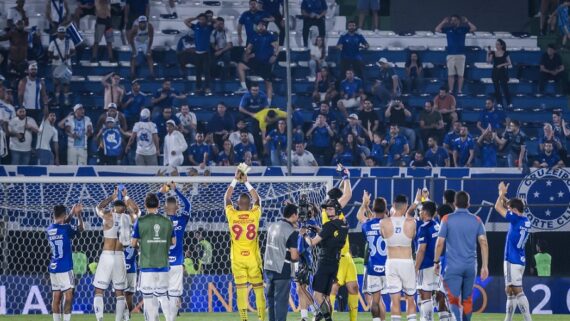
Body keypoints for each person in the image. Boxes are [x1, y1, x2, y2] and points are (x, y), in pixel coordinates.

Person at [434, 191, 489, 321]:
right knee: (467, 298)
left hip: (453, 266)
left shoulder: (446, 219)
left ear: (454, 203)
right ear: (469, 204)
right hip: (471, 266)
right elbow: (484, 243)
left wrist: (436, 261)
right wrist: (485, 266)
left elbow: (440, 243)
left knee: (453, 297)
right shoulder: (477, 220)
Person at [224, 169, 266, 321]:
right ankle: (261, 318)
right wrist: (246, 181)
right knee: (259, 290)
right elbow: (258, 200)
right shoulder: (254, 214)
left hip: (237, 259)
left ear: (237, 204)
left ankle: (244, 319)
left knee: (241, 291)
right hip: (253, 259)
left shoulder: (232, 215)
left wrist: (235, 180)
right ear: (249, 205)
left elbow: (227, 198)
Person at [93, 187, 140, 321]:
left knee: (99, 291)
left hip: (107, 256)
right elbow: (137, 211)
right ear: (124, 208)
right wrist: (126, 197)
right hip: (120, 257)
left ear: (113, 208)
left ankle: (100, 319)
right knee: (120, 293)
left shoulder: (108, 216)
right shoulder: (128, 218)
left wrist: (112, 197)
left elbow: (98, 208)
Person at [318, 169, 359, 321]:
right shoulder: (327, 211)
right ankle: (329, 318)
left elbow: (342, 192)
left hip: (347, 256)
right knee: (333, 290)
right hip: (337, 257)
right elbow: (347, 194)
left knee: (353, 288)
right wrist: (346, 176)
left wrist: (343, 182)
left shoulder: (335, 210)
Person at [302, 198, 349, 321]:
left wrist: (304, 234)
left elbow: (312, 243)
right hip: (335, 263)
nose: (327, 211)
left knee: (317, 295)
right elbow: (332, 238)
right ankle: (323, 316)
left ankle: (327, 318)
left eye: (330, 208)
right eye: (327, 209)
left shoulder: (328, 225)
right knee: (326, 297)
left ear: (337, 209)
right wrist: (319, 231)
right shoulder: (344, 224)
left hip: (324, 262)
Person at [131, 193, 175, 321]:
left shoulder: (140, 221)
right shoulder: (167, 221)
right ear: (159, 205)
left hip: (147, 267)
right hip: (163, 266)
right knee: (163, 296)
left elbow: (133, 243)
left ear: (145, 205)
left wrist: (143, 243)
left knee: (148, 298)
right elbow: (173, 242)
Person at [494, 182, 533, 321]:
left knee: (517, 290)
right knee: (510, 291)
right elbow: (509, 206)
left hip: (512, 259)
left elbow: (498, 207)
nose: (507, 209)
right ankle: (508, 319)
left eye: (510, 208)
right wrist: (506, 199)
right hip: (521, 259)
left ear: (514, 210)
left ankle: (528, 319)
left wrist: (501, 194)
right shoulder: (526, 220)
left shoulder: (515, 219)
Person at [380, 194, 417, 321]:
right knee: (410, 299)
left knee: (394, 301)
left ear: (393, 205)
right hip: (407, 262)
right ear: (406, 206)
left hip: (392, 262)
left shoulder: (383, 223)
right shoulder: (412, 223)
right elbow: (412, 236)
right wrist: (415, 205)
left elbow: (384, 236)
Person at [158, 182, 191, 319]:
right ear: (177, 207)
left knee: (161, 293)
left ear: (164, 208)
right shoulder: (182, 219)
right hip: (177, 263)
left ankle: (167, 318)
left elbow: (151, 204)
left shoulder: (158, 220)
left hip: (161, 262)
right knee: (174, 295)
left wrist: (162, 191)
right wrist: (176, 190)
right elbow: (188, 205)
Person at [47, 204, 84, 321]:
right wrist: (78, 215)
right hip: (65, 267)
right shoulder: (66, 229)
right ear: (63, 214)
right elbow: (80, 229)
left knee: (56, 297)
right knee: (68, 296)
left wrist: (71, 213)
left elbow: (62, 222)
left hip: (53, 267)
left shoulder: (49, 229)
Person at [264, 203, 300, 321]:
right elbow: (294, 256)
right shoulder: (291, 231)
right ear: (294, 215)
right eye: (297, 215)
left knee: (271, 301)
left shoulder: (272, 226)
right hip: (281, 270)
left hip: (268, 268)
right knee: (281, 301)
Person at [357, 191, 387, 321]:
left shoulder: (367, 225)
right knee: (387, 299)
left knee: (375, 301)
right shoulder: (390, 224)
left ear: (373, 209)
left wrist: (364, 204)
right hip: (387, 266)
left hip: (372, 266)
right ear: (386, 209)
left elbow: (360, 216)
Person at [236, 21, 279, 102]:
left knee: (268, 83)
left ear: (265, 27)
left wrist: (274, 56)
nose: (260, 27)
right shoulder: (254, 36)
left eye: (262, 26)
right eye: (259, 26)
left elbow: (277, 47)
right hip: (255, 62)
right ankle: (244, 87)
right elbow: (249, 48)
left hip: (265, 63)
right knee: (240, 66)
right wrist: (247, 53)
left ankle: (268, 103)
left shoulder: (270, 36)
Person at [435, 15, 477, 94]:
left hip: (460, 54)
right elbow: (437, 29)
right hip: (450, 54)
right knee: (451, 74)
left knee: (460, 74)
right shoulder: (448, 29)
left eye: (455, 20)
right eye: (452, 20)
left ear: (459, 21)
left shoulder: (463, 29)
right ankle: (450, 90)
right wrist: (443, 22)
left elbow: (474, 28)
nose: (453, 21)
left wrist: (467, 21)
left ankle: (459, 90)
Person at [414, 201, 440, 321]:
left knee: (425, 295)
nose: (419, 212)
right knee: (432, 294)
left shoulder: (424, 228)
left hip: (426, 265)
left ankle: (427, 319)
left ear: (424, 212)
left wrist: (415, 268)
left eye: (420, 210)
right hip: (437, 264)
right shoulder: (437, 225)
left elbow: (421, 250)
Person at [184, 14, 213, 94]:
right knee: (198, 72)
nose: (201, 21)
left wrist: (210, 18)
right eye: (200, 19)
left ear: (206, 20)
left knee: (206, 72)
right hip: (197, 53)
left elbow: (217, 22)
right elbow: (186, 21)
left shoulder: (209, 27)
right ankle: (198, 88)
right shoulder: (195, 26)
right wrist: (195, 17)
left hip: (206, 53)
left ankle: (207, 88)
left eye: (203, 19)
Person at [48, 26, 75, 106]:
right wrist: (54, 57)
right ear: (57, 33)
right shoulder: (53, 42)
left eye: (63, 32)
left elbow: (73, 51)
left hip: (67, 64)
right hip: (56, 64)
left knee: (66, 83)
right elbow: (49, 53)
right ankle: (57, 100)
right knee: (57, 83)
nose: (61, 34)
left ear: (65, 33)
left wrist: (69, 55)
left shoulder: (69, 42)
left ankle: (66, 100)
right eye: (60, 32)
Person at [487, 39, 512, 108]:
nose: (496, 45)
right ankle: (499, 103)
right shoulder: (493, 53)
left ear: (501, 45)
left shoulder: (505, 53)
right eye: (496, 44)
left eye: (498, 44)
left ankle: (509, 102)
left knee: (505, 88)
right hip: (495, 72)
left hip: (502, 72)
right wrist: (488, 53)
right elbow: (488, 62)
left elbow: (509, 62)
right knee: (496, 89)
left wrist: (501, 65)